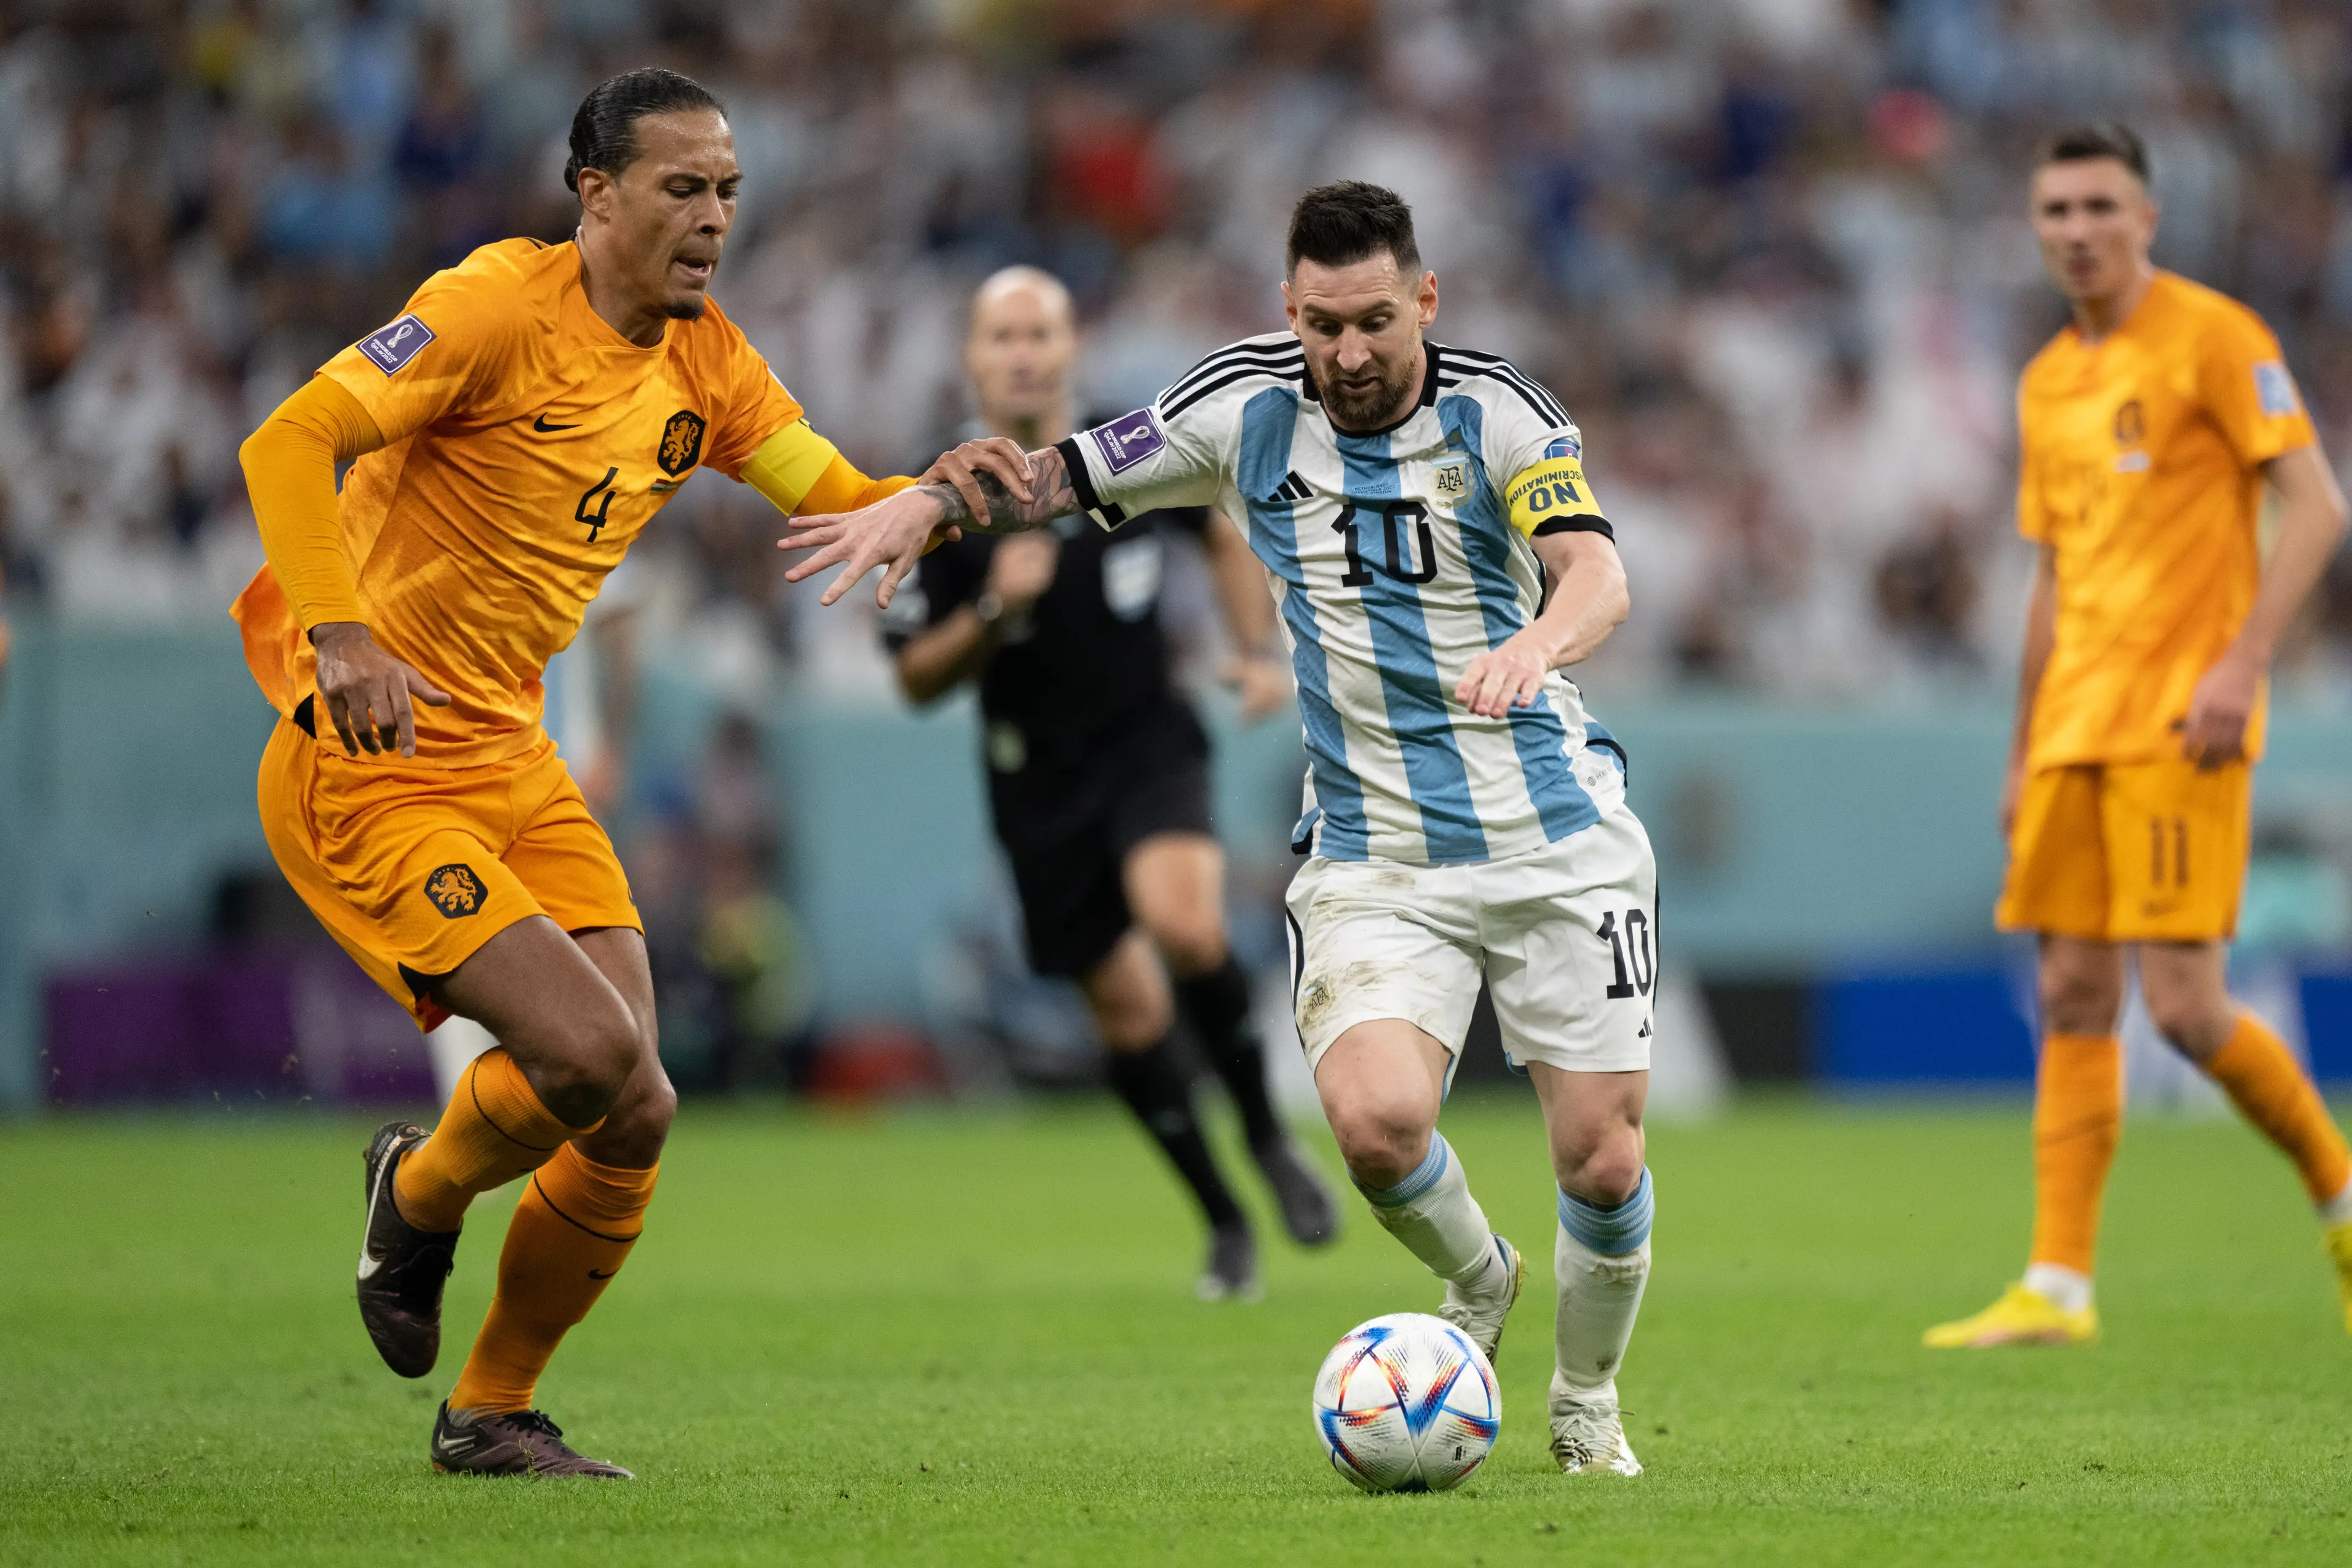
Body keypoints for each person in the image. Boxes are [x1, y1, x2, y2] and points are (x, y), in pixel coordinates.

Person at [785, 183, 1658, 1477]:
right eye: (1321, 325)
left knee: (1600, 1158)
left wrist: (1535, 641)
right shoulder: (1240, 405)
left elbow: (1596, 567)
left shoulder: (1505, 411)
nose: (1348, 355)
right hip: (1375, 851)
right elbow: (1061, 475)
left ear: (1424, 299)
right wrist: (927, 502)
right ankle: (1480, 1279)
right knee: (1374, 1129)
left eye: (1374, 321)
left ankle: (1586, 1401)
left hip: (1554, 834)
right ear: (1286, 308)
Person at [230, 67, 1023, 1477]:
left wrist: (939, 494)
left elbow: (840, 503)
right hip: (369, 759)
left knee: (634, 1101)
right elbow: (287, 438)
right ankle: (417, 1197)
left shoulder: (706, 360)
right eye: (681, 188)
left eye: (728, 190)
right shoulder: (487, 310)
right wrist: (340, 632)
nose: (714, 217)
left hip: (511, 757)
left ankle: (487, 1403)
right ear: (594, 195)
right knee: (591, 1050)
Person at [1925, 124, 2352, 1349]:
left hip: (2184, 717)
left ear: (2148, 218)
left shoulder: (2219, 338)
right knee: (2068, 989)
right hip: (2072, 725)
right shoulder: (2048, 377)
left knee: (2183, 1005)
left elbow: (2319, 505)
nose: (2076, 228)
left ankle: (2341, 1196)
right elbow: (2050, 578)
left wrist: (2244, 661)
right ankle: (2058, 1284)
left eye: (2100, 205)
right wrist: (2020, 747)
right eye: (2055, 208)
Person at [882, 266, 1340, 1300]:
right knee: (1129, 1017)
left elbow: (1218, 532)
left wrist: (1257, 653)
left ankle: (1270, 1140)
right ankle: (1224, 1219)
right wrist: (994, 614)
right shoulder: (935, 494)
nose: (1024, 352)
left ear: (1073, 344)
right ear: (972, 355)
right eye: (1003, 335)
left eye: (1041, 330)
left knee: (1183, 927)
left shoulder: (1120, 450)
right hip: (1035, 783)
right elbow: (912, 680)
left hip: (1149, 744)